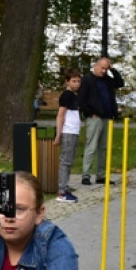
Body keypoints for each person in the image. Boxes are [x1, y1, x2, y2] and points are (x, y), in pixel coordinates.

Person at [77, 56, 124, 186]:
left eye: (106, 68)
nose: (103, 71)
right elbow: (81, 99)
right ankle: (86, 174)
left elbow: (120, 83)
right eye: (102, 68)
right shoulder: (87, 80)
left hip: (107, 117)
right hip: (95, 117)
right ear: (95, 66)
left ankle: (101, 175)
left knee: (104, 148)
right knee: (91, 146)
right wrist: (90, 112)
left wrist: (113, 69)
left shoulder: (108, 80)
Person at [53, 68, 82, 203]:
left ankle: (65, 186)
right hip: (68, 131)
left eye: (78, 81)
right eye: (74, 81)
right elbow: (61, 116)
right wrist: (58, 134)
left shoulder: (74, 95)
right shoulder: (66, 95)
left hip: (74, 131)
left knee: (69, 161)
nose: (76, 83)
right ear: (67, 82)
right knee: (65, 161)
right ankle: (62, 191)